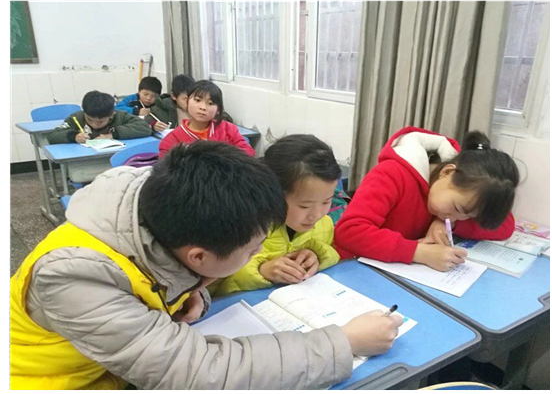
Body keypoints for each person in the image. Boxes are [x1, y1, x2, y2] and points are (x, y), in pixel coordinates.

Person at [10, 141, 403, 390]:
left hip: (108, 367)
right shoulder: (74, 276)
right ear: (198, 256)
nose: (257, 255)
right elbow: (196, 373)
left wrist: (190, 289)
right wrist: (343, 344)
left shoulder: (159, 210)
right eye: (251, 251)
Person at [334, 127, 519, 272]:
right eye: (456, 208)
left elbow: (505, 225)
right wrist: (418, 252)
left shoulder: (452, 199)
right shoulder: (392, 174)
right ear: (447, 172)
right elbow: (349, 232)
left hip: (395, 273)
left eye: (467, 216)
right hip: (351, 267)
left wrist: (447, 223)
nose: (453, 217)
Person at [211, 134, 341, 296]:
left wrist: (318, 257)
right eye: (304, 206)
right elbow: (215, 289)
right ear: (274, 193)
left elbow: (333, 253)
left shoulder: (324, 224)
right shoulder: (247, 227)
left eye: (326, 202)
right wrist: (261, 271)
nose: (317, 214)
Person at [158, 80, 255, 157]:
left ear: (218, 109)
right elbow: (166, 168)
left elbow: (248, 154)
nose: (203, 107)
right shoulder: (172, 139)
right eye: (197, 100)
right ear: (187, 102)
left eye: (210, 103)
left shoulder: (229, 129)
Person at [47, 91, 152, 144]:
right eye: (90, 120)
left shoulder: (120, 116)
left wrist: (113, 134)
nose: (94, 124)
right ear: (84, 112)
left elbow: (145, 127)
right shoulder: (76, 118)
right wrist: (74, 136)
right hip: (84, 161)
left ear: (111, 115)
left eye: (100, 122)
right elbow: (52, 136)